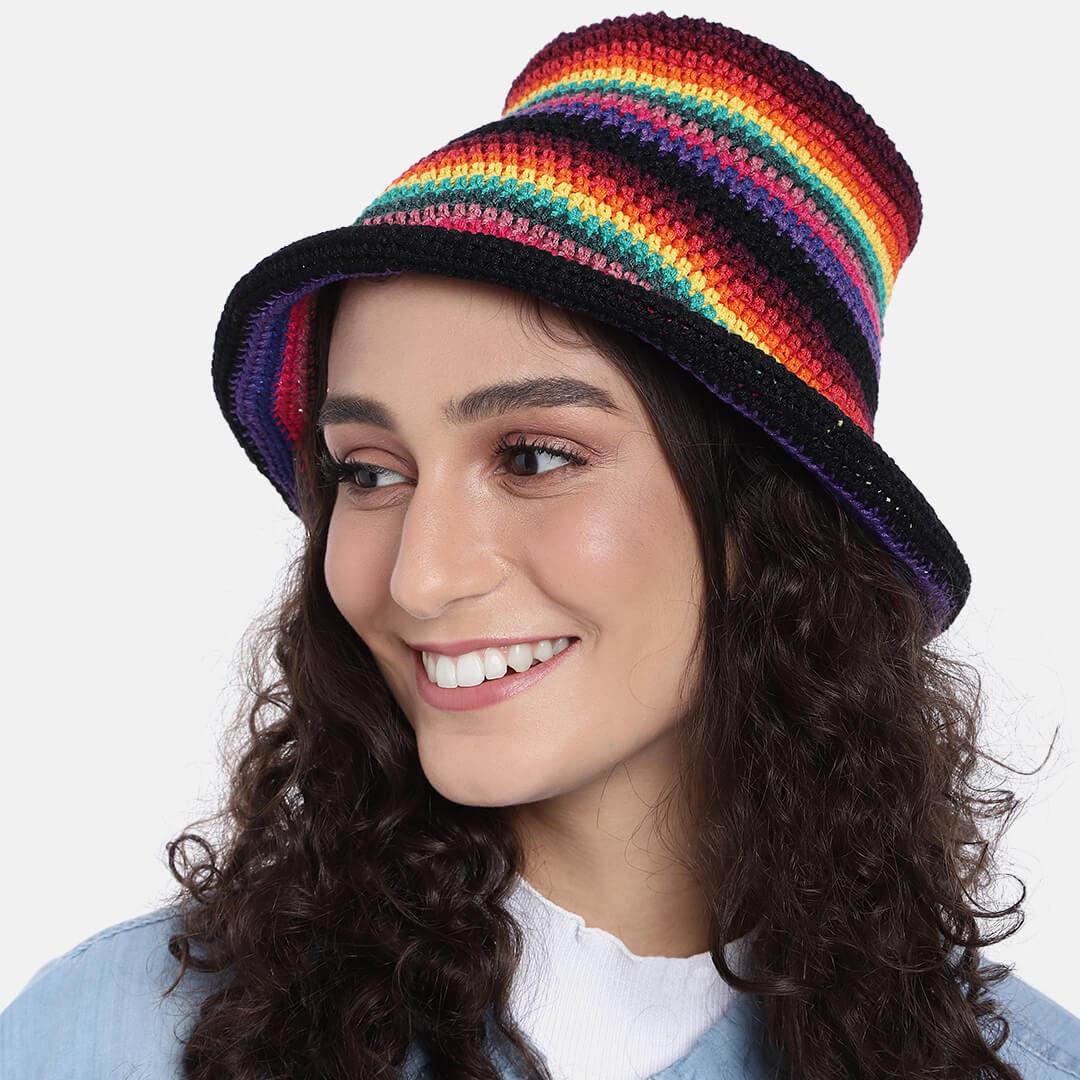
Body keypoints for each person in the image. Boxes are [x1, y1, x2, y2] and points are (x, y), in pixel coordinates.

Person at [2, 10, 1078, 1080]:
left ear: (766, 524)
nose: (421, 577)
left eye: (533, 457)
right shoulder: (106, 1042)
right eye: (368, 472)